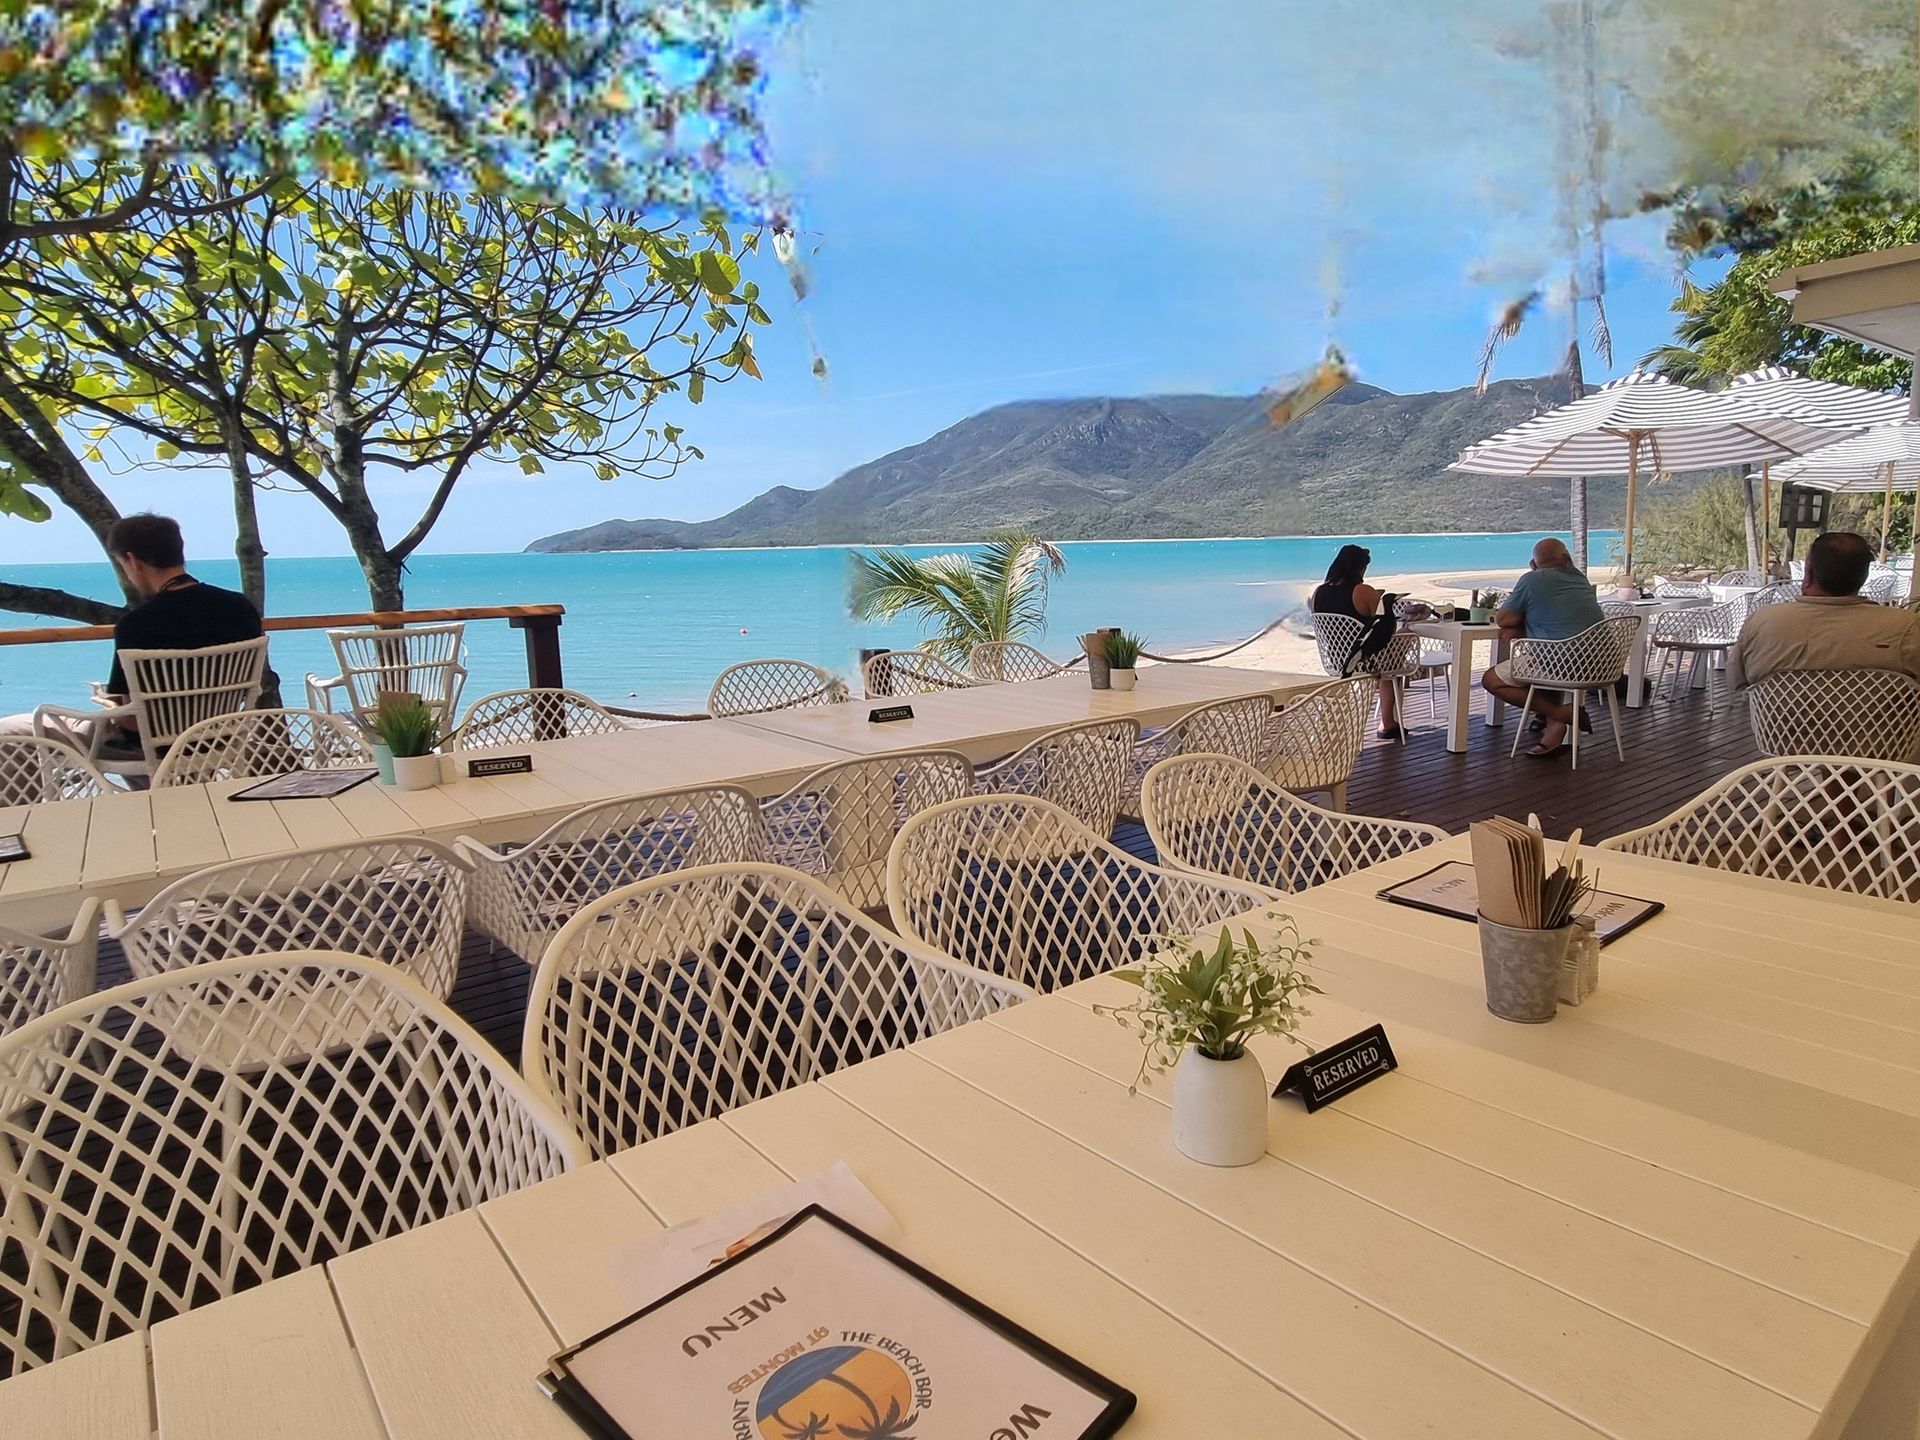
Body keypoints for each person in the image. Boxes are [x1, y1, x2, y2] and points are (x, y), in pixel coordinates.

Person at [6, 515, 263, 760]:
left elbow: (130, 720)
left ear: (132, 561)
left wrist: (109, 704)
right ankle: (163, 790)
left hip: (156, 746)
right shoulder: (240, 607)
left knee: (11, 731)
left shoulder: (137, 624)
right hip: (218, 736)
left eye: (122, 565)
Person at [1727, 531, 1920, 702]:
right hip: (1880, 732)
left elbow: (1736, 681)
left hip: (1783, 732)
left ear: (1808, 574)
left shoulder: (1762, 623)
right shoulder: (1905, 627)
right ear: (1864, 575)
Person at [1480, 537, 1606, 759]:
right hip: (1603, 664)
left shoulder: (1532, 579)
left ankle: (1561, 713)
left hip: (1563, 663)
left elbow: (1503, 618)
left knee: (1491, 680)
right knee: (1542, 661)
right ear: (1566, 558)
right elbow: (1558, 614)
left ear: (1534, 564)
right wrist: (1524, 628)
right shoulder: (1579, 578)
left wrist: (1517, 627)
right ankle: (1554, 729)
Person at [1309, 542, 1403, 740]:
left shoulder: (1317, 592)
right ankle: (1387, 722)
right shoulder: (1362, 591)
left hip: (1336, 658)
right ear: (1359, 568)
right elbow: (1386, 626)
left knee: (1392, 654)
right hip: (1366, 660)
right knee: (1398, 655)